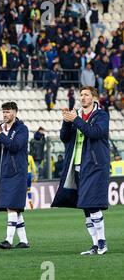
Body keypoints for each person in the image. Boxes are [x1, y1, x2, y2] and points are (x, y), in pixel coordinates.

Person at [51, 86, 110, 255]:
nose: (82, 97)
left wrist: (76, 119)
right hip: (77, 166)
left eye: (86, 95)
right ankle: (94, 244)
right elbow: (64, 138)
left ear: (94, 98)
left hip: (95, 165)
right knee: (84, 206)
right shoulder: (77, 115)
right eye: (81, 95)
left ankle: (102, 243)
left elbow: (95, 133)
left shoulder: (101, 115)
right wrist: (66, 120)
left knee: (92, 204)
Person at [0, 102, 30, 249]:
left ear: (15, 112)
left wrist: (0, 135)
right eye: (3, 112)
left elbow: (15, 147)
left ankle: (9, 240)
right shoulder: (0, 128)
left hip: (17, 172)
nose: (5, 115)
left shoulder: (22, 129)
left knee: (12, 206)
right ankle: (24, 240)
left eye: (8, 112)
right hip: (3, 172)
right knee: (14, 207)